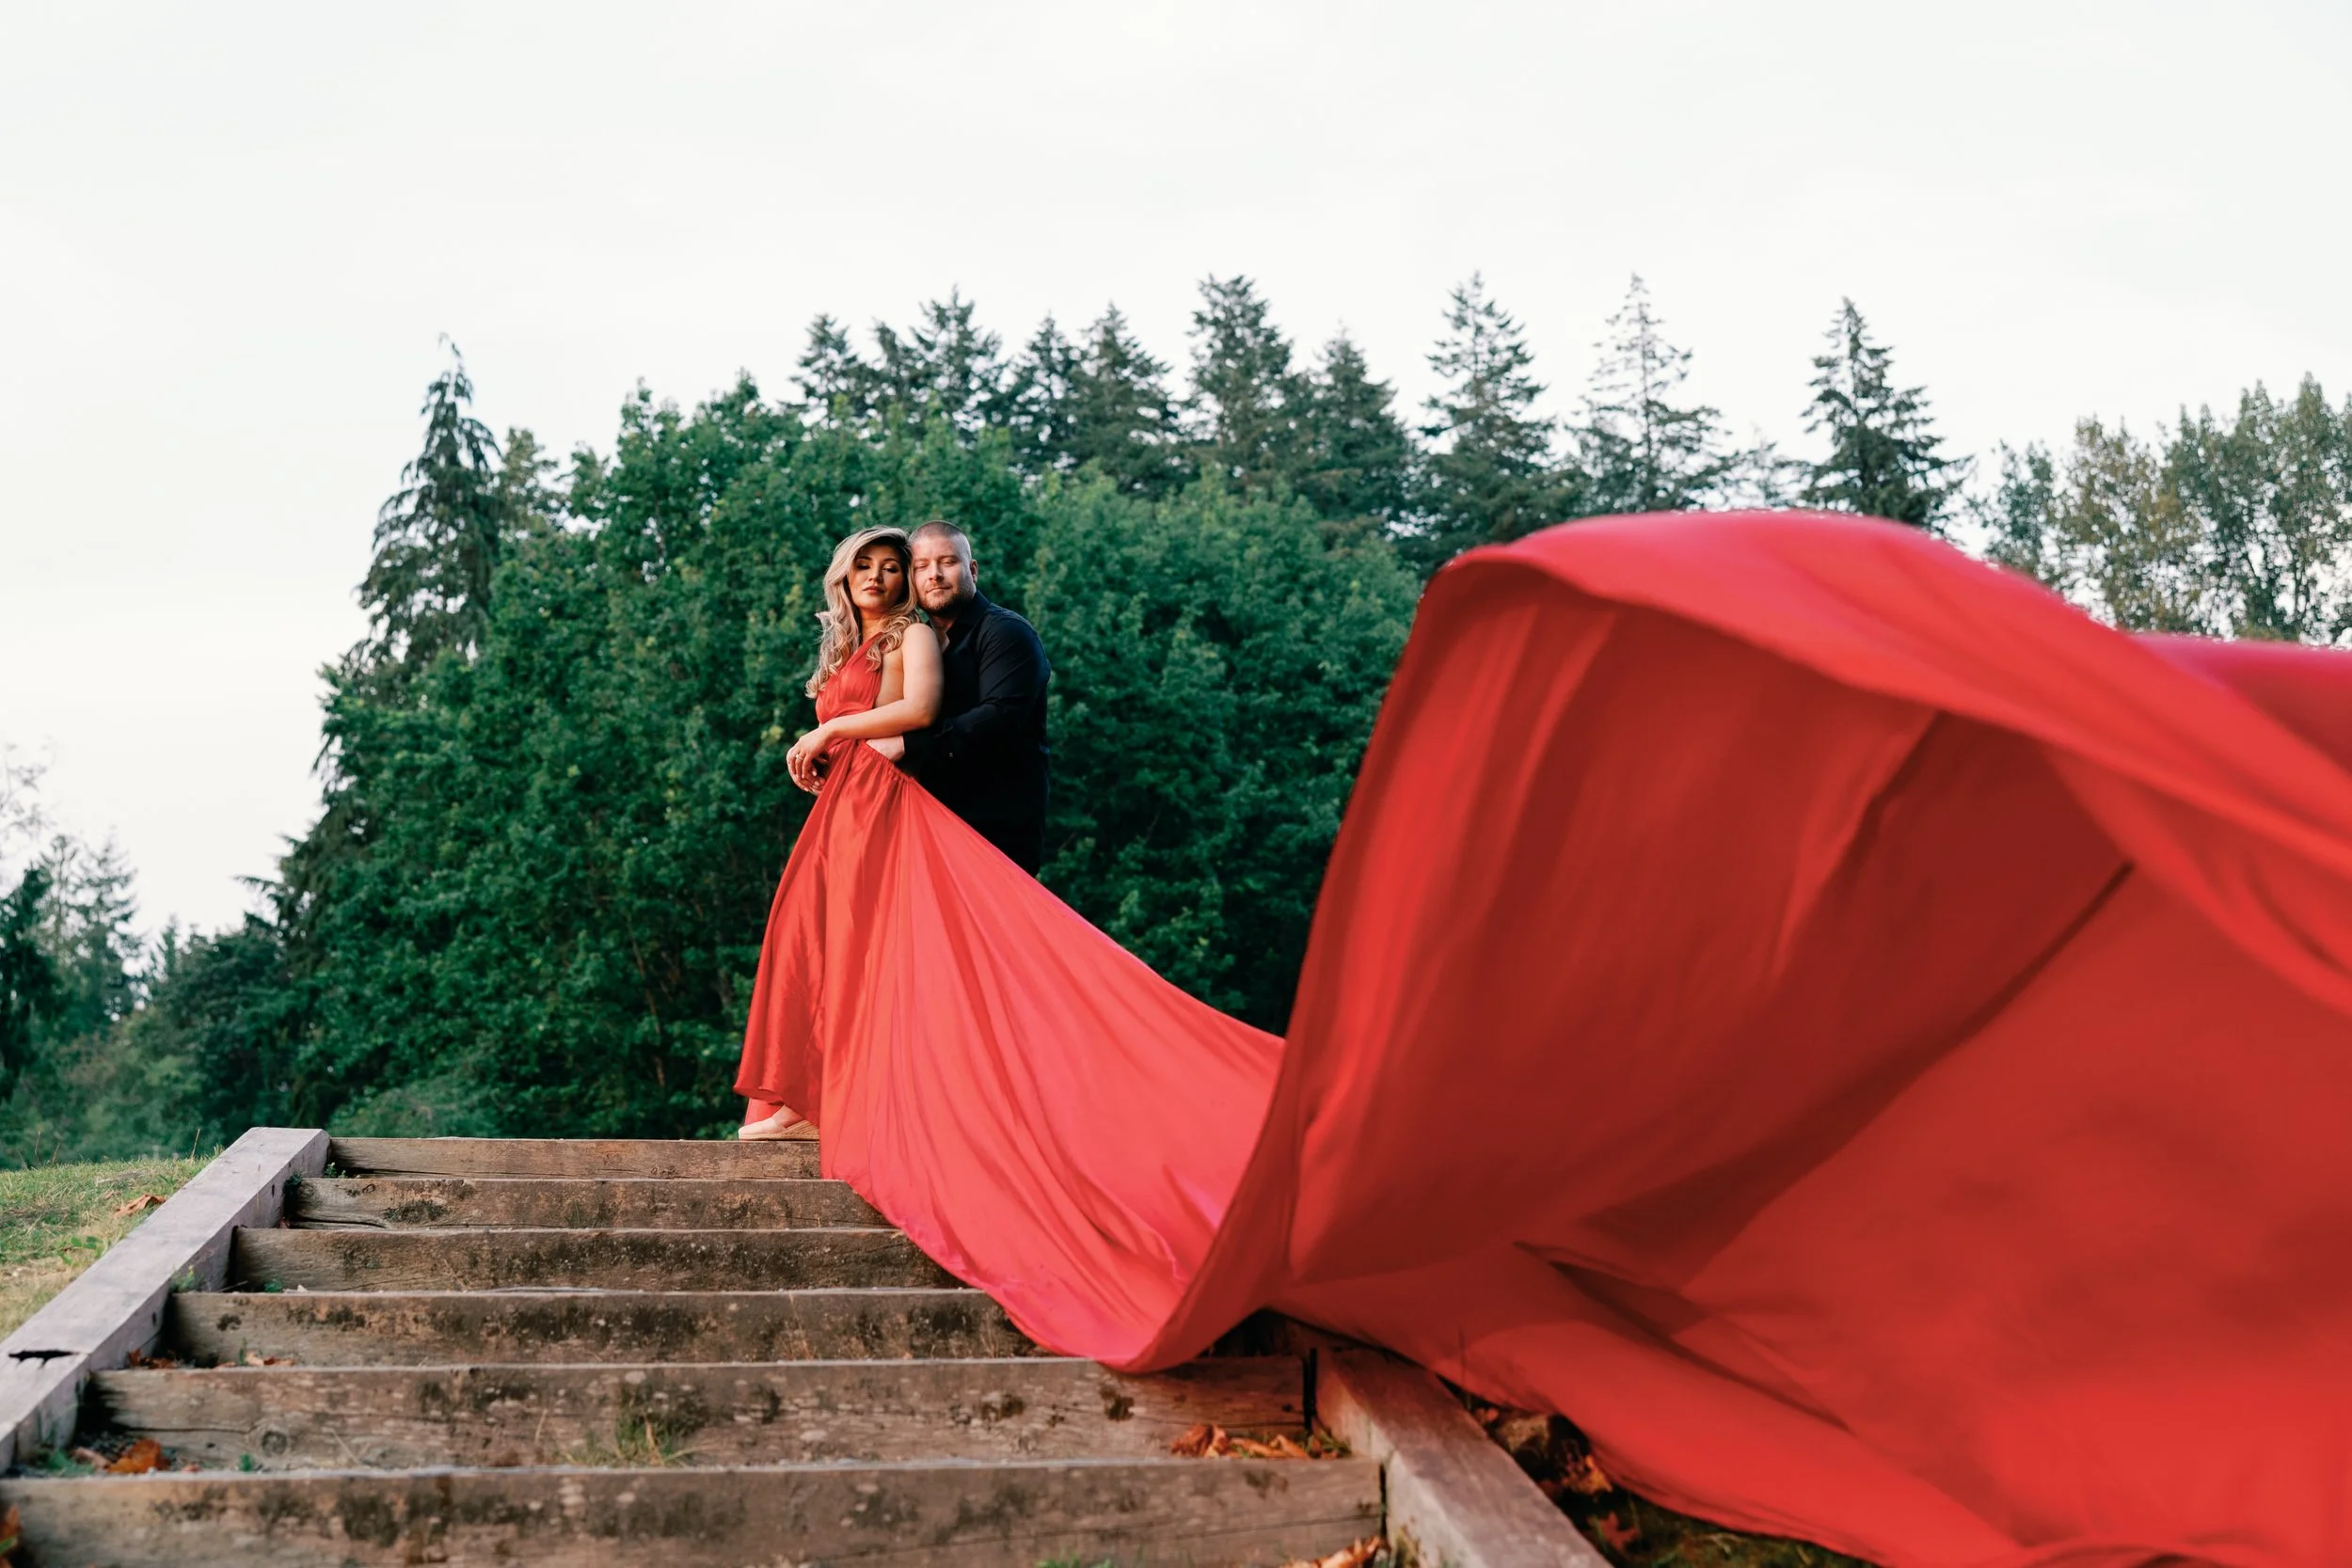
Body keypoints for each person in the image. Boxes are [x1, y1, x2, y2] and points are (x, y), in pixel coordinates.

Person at [737, 525, 940, 1139]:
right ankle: (807, 1093)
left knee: (842, 941)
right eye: (864, 567)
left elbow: (922, 710)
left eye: (890, 567)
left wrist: (829, 734)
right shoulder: (853, 645)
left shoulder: (914, 633)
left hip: (881, 801)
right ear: (845, 578)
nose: (877, 577)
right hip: (840, 803)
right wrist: (824, 760)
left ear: (907, 579)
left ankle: (817, 1102)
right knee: (804, 933)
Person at [866, 520, 1052, 874]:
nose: (934, 575)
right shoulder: (913, 643)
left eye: (947, 562)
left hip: (996, 831)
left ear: (972, 570)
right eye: (921, 566)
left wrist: (907, 744)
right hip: (927, 825)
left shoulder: (1007, 633)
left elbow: (998, 718)